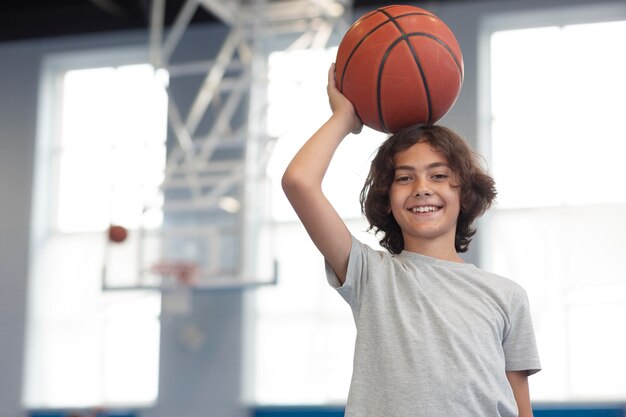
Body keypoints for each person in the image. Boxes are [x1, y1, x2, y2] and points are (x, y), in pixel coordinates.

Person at [282, 64, 541, 417]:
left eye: (438, 175)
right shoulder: (370, 275)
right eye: (405, 178)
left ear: (463, 191)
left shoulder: (507, 296)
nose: (422, 188)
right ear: (387, 198)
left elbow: (520, 407)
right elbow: (299, 181)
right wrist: (344, 118)